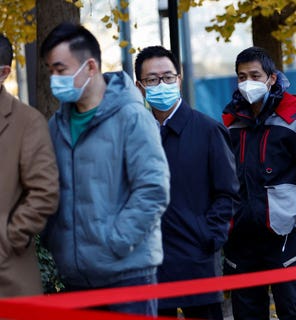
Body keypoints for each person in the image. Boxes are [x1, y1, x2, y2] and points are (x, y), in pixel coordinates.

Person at [40, 23, 169, 316]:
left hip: (127, 275)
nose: (54, 79)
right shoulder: (56, 126)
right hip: (77, 278)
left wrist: (115, 242)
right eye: (50, 71)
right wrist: (55, 239)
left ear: (90, 66)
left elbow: (152, 190)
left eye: (60, 69)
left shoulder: (131, 116)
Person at [221, 47, 296, 320]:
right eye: (242, 76)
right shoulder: (230, 124)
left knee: (294, 313)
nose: (248, 82)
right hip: (242, 239)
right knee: (246, 314)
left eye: (255, 75)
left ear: (271, 78)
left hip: (287, 237)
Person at [134, 45, 240, 320]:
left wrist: (209, 236)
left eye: (168, 77)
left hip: (198, 258)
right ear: (139, 85)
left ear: (179, 79)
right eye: (152, 80)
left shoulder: (207, 129)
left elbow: (228, 193)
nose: (162, 84)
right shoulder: (135, 134)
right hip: (150, 261)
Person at [0, 34, 59, 297]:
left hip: (9, 275)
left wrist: (7, 237)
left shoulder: (27, 122)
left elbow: (45, 193)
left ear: (3, 73)